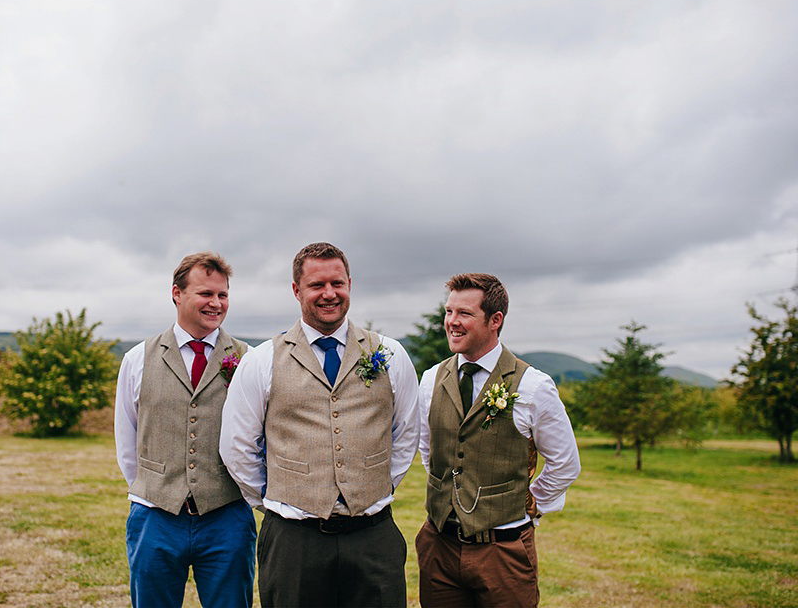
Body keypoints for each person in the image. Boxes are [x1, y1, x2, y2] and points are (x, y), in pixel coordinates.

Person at [220, 242, 419, 608]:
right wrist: (277, 497)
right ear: (297, 290)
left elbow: (407, 430)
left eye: (337, 283)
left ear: (349, 284)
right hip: (294, 541)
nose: (329, 294)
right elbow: (237, 445)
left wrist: (378, 483)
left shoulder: (389, 354)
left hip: (373, 535)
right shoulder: (262, 359)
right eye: (317, 285)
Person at [416, 273, 580, 608]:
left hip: (503, 551)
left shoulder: (534, 385)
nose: (452, 322)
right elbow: (427, 448)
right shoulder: (431, 379)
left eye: (464, 314)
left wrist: (529, 506)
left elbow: (565, 464)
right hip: (439, 548)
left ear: (495, 320)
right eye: (449, 312)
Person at [115, 252, 256, 608]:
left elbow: (258, 437)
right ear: (177, 293)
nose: (216, 303)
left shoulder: (248, 358)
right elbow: (127, 439)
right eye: (206, 293)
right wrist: (153, 489)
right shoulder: (137, 359)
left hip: (227, 516)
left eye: (223, 295)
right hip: (156, 516)